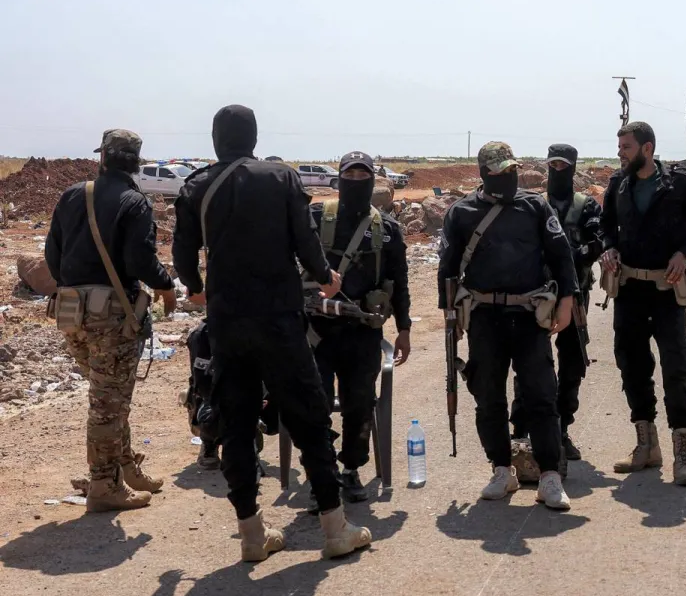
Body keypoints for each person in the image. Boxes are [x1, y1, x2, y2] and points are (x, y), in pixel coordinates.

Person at [173, 104, 371, 562]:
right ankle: (335, 529)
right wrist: (325, 276)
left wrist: (196, 288)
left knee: (237, 424)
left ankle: (252, 536)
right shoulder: (280, 178)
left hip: (227, 324)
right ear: (254, 138)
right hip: (278, 320)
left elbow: (183, 252)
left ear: (216, 140)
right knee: (310, 417)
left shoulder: (197, 186)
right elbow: (305, 239)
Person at [438, 141, 578, 509]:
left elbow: (561, 256)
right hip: (484, 317)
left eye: (512, 169)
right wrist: (449, 318)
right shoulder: (461, 212)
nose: (509, 176)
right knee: (488, 397)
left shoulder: (535, 206)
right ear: (485, 173)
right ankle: (502, 469)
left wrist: (567, 301)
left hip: (530, 315)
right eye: (501, 171)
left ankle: (550, 476)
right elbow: (447, 268)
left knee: (541, 395)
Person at [45, 129, 177, 512]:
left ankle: (124, 469)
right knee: (108, 403)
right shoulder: (134, 202)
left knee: (110, 397)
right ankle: (104, 484)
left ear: (102, 158)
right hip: (111, 318)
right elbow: (139, 260)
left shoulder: (73, 195)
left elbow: (52, 255)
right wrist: (166, 285)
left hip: (72, 314)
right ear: (136, 162)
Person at [599, 122, 686, 486]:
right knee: (632, 365)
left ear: (647, 148)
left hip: (667, 291)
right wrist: (609, 248)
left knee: (675, 368)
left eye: (626, 146)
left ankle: (683, 457)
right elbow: (605, 225)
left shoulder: (679, 184)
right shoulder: (618, 184)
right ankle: (646, 446)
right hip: (629, 291)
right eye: (619, 146)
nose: (620, 152)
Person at [307, 151, 413, 502]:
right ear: (339, 179)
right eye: (349, 176)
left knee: (360, 403)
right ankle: (322, 475)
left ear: (372, 180)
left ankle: (351, 468)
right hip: (317, 332)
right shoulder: (315, 218)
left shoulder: (387, 230)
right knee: (314, 401)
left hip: (363, 333)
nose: (355, 181)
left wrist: (404, 328)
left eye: (362, 176)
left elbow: (399, 282)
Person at [510, 143, 603, 466]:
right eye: (553, 165)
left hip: (574, 295)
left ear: (573, 168)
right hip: (537, 295)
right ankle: (521, 430)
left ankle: (561, 429)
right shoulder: (533, 204)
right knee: (529, 362)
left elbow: (597, 241)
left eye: (563, 166)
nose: (558, 171)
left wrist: (574, 256)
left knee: (572, 363)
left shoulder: (585, 205)